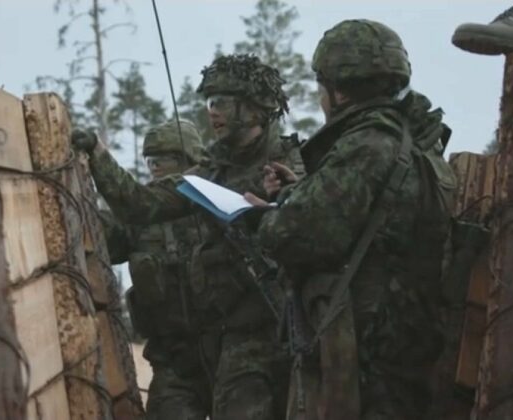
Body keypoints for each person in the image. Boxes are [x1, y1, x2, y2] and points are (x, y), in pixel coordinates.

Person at [247, 20, 457, 420]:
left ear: (339, 90)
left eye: (321, 86)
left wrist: (263, 218)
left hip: (364, 350)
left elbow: (300, 234)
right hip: (412, 340)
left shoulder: (367, 142)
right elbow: (372, 217)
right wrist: (296, 192)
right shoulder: (416, 142)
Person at [74, 54, 303, 419]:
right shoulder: (210, 174)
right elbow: (141, 205)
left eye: (221, 102)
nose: (212, 112)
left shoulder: (295, 164)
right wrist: (98, 155)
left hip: (284, 333)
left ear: (256, 108)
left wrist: (285, 201)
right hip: (231, 340)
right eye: (209, 103)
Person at [100, 119, 211, 419]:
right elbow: (104, 241)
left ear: (189, 160)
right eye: (151, 160)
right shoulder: (138, 218)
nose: (155, 167)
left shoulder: (214, 204)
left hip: (228, 353)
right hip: (174, 362)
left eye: (165, 158)